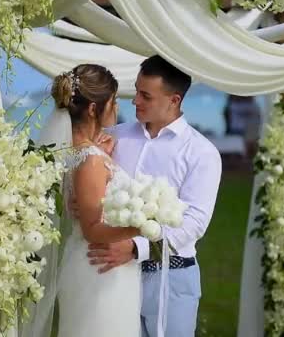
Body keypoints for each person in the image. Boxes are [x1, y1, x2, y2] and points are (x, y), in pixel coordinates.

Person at [88, 55, 223, 336]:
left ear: (174, 100)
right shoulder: (115, 137)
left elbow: (195, 223)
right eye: (136, 91)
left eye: (145, 95)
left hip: (171, 278)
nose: (135, 101)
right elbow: (92, 183)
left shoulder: (202, 152)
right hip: (117, 277)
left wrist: (137, 248)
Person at [48, 64, 143, 336]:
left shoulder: (79, 151)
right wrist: (143, 228)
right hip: (100, 267)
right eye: (113, 102)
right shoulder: (90, 159)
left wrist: (104, 158)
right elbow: (92, 229)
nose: (116, 109)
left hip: (97, 265)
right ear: (93, 109)